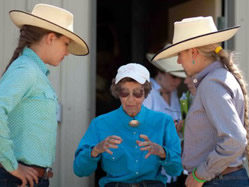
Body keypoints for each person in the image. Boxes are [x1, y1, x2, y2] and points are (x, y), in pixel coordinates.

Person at [152, 16, 249, 187]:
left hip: (218, 181)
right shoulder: (217, 79)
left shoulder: (211, 84)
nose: (178, 61)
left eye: (180, 54)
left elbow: (235, 139)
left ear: (193, 52)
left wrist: (200, 175)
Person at [0, 3, 89, 187]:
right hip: (16, 179)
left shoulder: (33, 71)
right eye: (66, 44)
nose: (67, 52)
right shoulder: (26, 70)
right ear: (50, 38)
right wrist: (12, 166)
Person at [73, 63, 182, 187]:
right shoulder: (100, 124)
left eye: (137, 93)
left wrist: (162, 152)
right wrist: (95, 150)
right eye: (124, 93)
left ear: (145, 93)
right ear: (117, 93)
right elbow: (80, 170)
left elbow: (176, 170)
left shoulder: (164, 122)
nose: (130, 100)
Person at [144, 51, 186, 186]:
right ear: (160, 71)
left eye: (180, 77)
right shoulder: (146, 91)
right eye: (174, 76)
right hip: (151, 169)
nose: (177, 81)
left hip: (171, 168)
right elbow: (139, 126)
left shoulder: (173, 92)